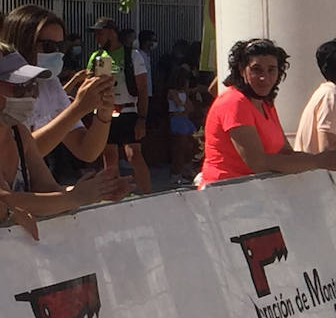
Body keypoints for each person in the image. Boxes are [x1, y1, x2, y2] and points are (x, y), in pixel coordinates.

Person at [199, 38, 336, 188]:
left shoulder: (266, 103)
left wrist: (327, 160)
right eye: (256, 69)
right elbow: (258, 163)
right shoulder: (234, 102)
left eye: (271, 70)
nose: (264, 77)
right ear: (241, 69)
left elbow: (286, 153)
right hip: (222, 199)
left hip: (254, 196)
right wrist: (318, 162)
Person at [0, 46, 131, 218]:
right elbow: (5, 201)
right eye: (20, 87)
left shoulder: (19, 134)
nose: (30, 94)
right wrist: (74, 198)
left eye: (32, 85)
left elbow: (48, 190)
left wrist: (95, 190)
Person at [1, 5, 115, 164]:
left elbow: (86, 150)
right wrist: (78, 108)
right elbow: (18, 154)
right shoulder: (4, 85)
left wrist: (103, 114)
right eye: (48, 46)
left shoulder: (50, 83)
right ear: (23, 43)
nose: (57, 53)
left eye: (61, 46)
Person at [89, 17, 152, 193]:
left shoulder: (132, 55)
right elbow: (95, 85)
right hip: (106, 112)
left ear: (112, 33)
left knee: (133, 154)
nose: (97, 38)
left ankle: (147, 194)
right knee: (109, 156)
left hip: (129, 111)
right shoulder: (99, 57)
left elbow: (142, 89)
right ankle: (114, 194)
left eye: (100, 33)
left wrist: (142, 119)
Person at [165, 64, 198, 184]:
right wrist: (185, 108)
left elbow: (190, 107)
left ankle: (186, 170)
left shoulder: (185, 92)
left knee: (189, 147)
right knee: (179, 148)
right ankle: (175, 174)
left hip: (185, 120)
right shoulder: (172, 92)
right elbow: (180, 105)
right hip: (177, 121)